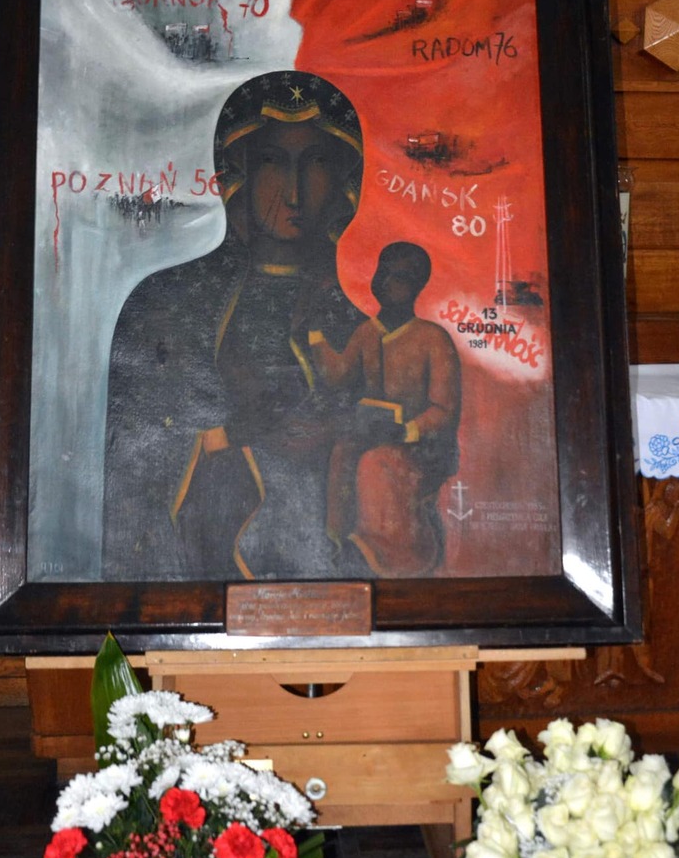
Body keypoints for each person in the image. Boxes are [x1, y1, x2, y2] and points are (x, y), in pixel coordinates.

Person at [102, 71, 365, 582]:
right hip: (197, 572)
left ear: (343, 179)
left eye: (315, 162)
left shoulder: (357, 317)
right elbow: (135, 463)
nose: (293, 192)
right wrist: (231, 435)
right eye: (271, 162)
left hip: (323, 572)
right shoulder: (166, 304)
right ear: (236, 172)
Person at [309, 242, 462, 576]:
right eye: (384, 272)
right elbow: (338, 375)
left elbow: (444, 410)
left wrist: (406, 430)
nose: (388, 282)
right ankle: (343, 544)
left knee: (376, 463)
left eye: (401, 277)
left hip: (421, 447)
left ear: (417, 285)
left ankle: (386, 554)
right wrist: (315, 335)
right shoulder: (367, 332)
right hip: (373, 435)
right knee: (342, 452)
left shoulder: (433, 338)